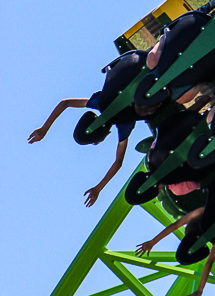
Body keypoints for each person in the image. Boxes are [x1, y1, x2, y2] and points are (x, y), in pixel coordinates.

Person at [28, 49, 161, 206]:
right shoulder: (98, 101)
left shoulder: (124, 124)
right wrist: (45, 128)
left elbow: (118, 162)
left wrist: (99, 188)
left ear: (101, 134)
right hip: (142, 57)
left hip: (158, 75)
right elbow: (65, 103)